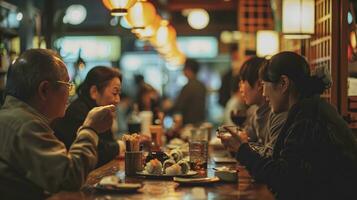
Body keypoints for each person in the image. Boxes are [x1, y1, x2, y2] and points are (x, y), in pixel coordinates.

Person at [219, 51, 357, 200]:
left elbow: (284, 179)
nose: (264, 93)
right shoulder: (308, 108)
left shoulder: (308, 117)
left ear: (283, 83)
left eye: (264, 84)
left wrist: (242, 149)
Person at [0, 49, 116, 199]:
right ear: (44, 90)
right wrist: (90, 129)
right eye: (67, 84)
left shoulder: (10, 116)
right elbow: (70, 178)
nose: (69, 92)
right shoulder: (26, 125)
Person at [52, 66, 125, 167]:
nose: (117, 100)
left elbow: (108, 143)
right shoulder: (78, 111)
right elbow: (98, 152)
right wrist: (123, 145)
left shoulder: (100, 111)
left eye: (119, 94)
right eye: (114, 93)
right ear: (94, 91)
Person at [238, 56, 287, 156]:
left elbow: (271, 158)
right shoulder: (254, 111)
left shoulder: (278, 113)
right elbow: (248, 140)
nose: (241, 89)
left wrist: (241, 146)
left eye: (243, 82)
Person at [173, 58, 206, 125]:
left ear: (188, 70)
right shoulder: (202, 85)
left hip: (189, 125)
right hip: (200, 122)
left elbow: (179, 106)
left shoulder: (188, 87)